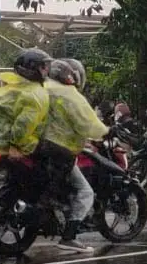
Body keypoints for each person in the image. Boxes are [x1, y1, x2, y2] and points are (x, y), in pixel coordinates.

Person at [42, 59, 109, 253]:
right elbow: (87, 123)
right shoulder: (69, 95)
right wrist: (105, 131)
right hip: (58, 149)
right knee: (85, 191)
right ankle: (69, 237)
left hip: (34, 147)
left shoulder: (40, 90)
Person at [0, 48, 54, 165]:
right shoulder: (36, 94)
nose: (47, 71)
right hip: (15, 153)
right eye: (43, 67)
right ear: (32, 69)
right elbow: (20, 131)